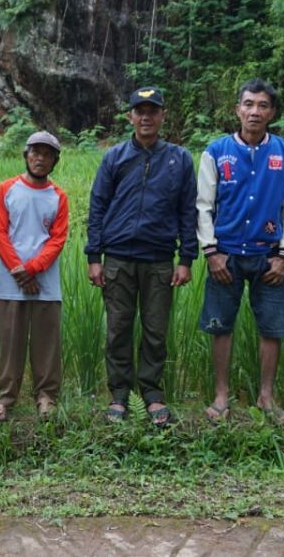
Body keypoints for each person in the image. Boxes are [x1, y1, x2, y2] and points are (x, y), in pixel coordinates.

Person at [85, 86, 198, 427]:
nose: (146, 117)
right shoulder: (115, 157)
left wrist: (186, 259)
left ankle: (151, 393)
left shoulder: (179, 159)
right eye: (140, 111)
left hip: (160, 260)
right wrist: (94, 256)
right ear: (131, 116)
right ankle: (119, 394)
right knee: (118, 328)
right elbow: (97, 206)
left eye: (153, 110)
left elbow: (187, 212)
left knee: (155, 330)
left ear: (163, 116)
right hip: (118, 258)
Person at [196, 79, 284, 430]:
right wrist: (211, 253)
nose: (254, 111)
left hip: (268, 256)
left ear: (272, 112)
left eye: (262, 105)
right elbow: (203, 206)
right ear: (237, 109)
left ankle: (266, 397)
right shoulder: (216, 151)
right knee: (220, 326)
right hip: (225, 255)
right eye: (248, 104)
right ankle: (221, 395)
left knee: (272, 328)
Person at [0, 131, 69, 422]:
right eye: (35, 152)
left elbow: (57, 239)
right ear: (26, 155)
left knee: (46, 342)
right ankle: (6, 398)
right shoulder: (6, 189)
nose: (40, 158)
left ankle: (46, 396)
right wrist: (19, 271)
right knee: (10, 342)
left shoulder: (58, 196)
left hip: (45, 281)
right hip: (10, 280)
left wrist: (32, 269)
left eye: (47, 154)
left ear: (54, 161)